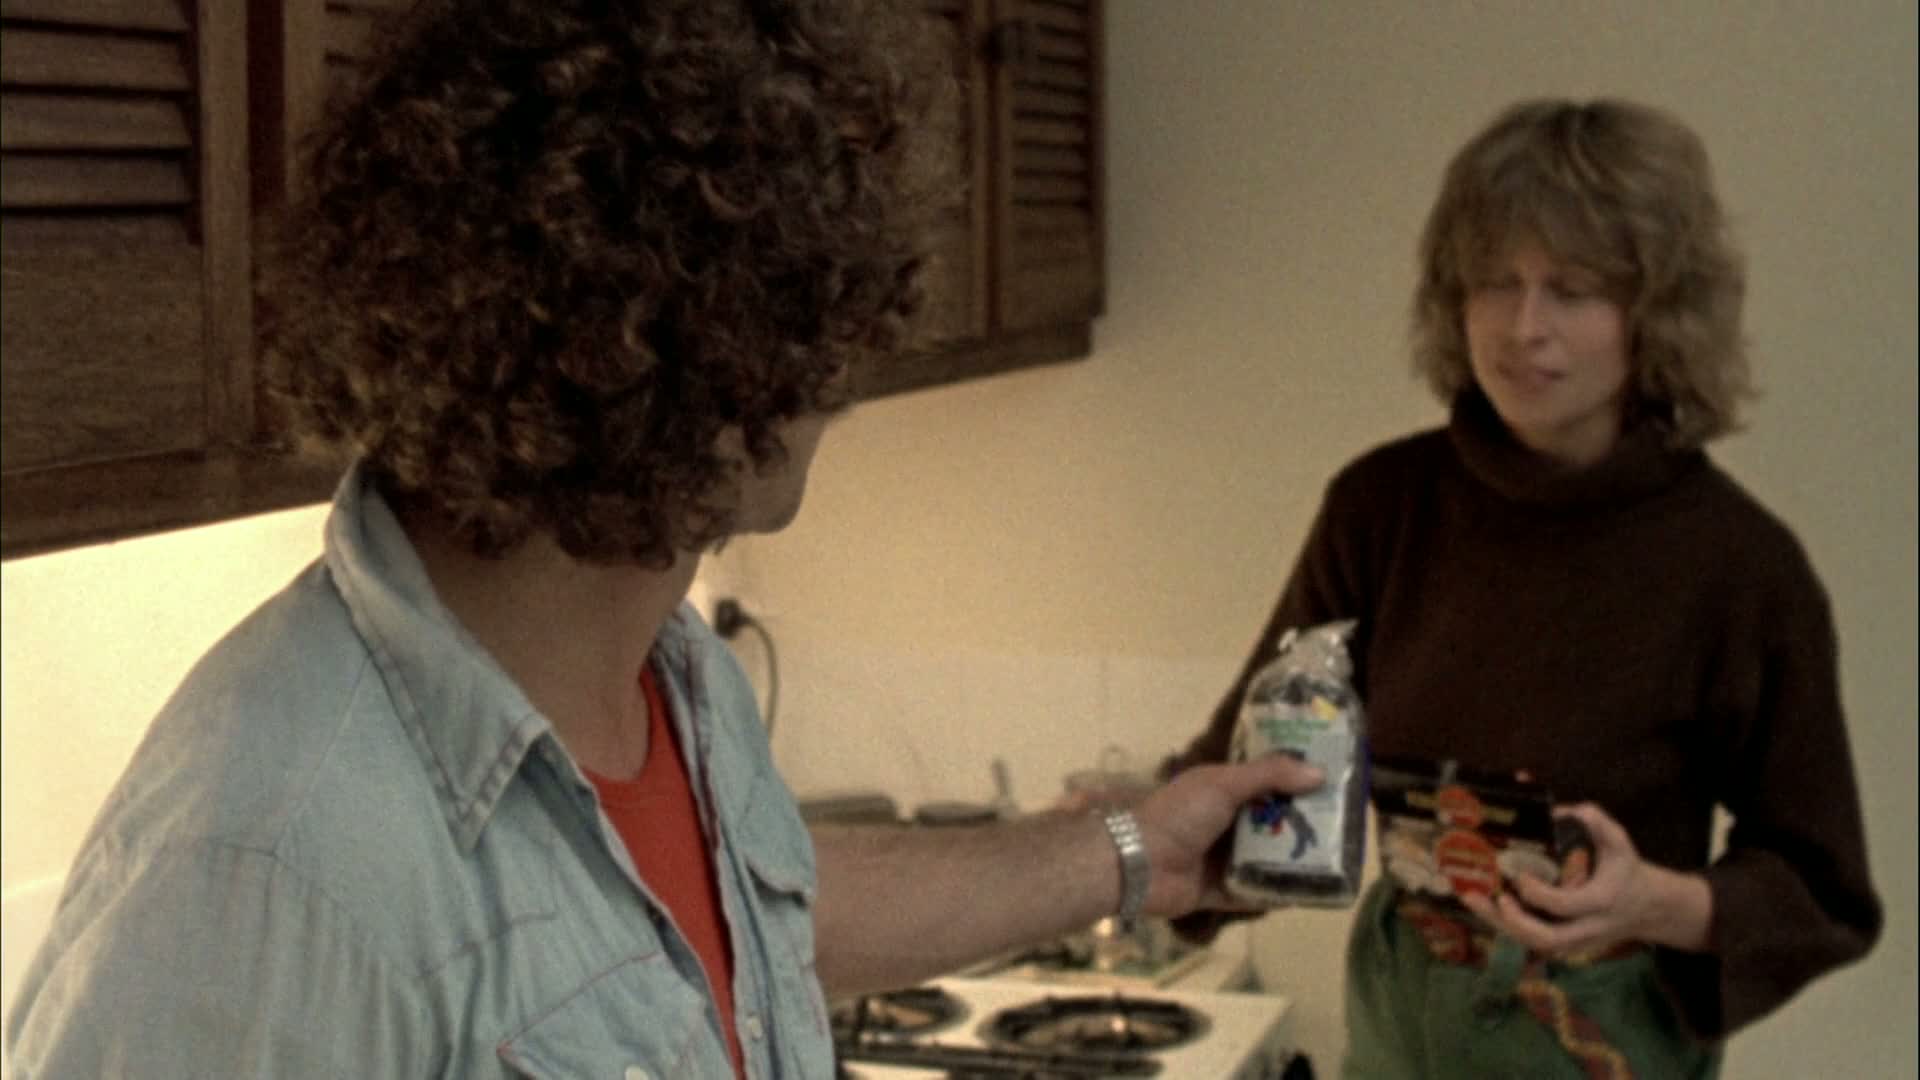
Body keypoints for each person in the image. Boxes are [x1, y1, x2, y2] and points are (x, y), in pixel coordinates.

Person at [1, 1, 1321, 1076]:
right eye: (813, 317)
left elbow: (746, 928)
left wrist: (1131, 852)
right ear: (692, 352)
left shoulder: (667, 679)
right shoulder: (272, 868)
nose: (841, 382)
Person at [1167, 98, 1882, 1078]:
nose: (1523, 327)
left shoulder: (1740, 566)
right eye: (1493, 283)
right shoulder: (1382, 508)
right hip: (1401, 1007)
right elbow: (1248, 761)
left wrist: (1652, 903)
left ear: (1657, 313)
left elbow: (1820, 889)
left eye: (1571, 290)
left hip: (1603, 1021)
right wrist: (1132, 843)